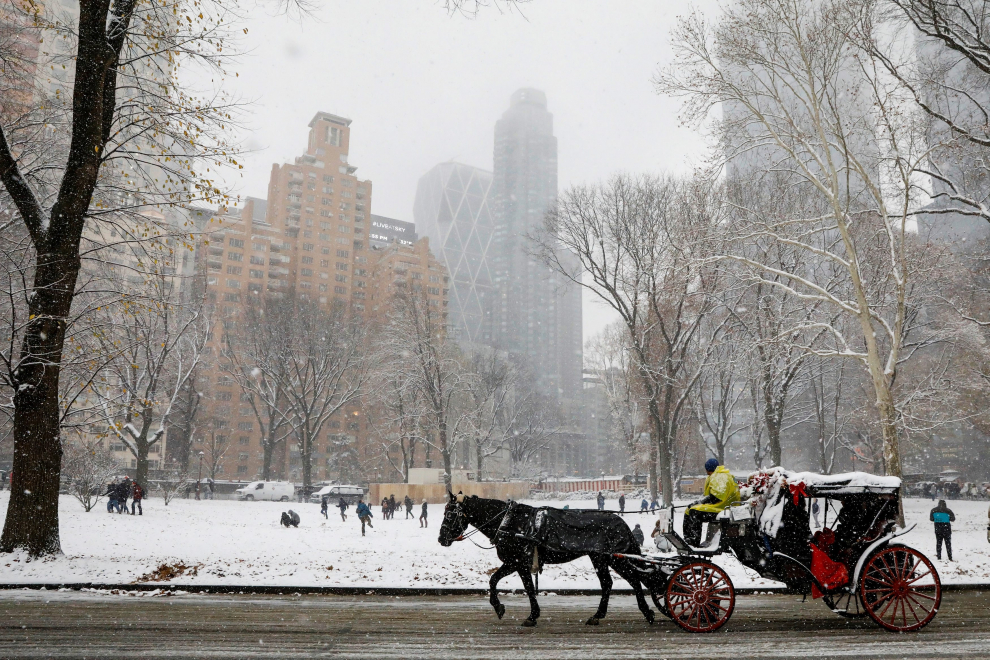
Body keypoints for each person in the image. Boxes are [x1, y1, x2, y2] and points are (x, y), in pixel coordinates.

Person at [683, 458, 739, 548]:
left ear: (708, 469)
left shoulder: (718, 477)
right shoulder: (724, 475)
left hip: (723, 509)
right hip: (726, 507)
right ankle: (689, 539)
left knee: (694, 512)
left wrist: (701, 502)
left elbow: (716, 497)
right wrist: (699, 502)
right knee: (689, 510)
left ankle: (693, 541)